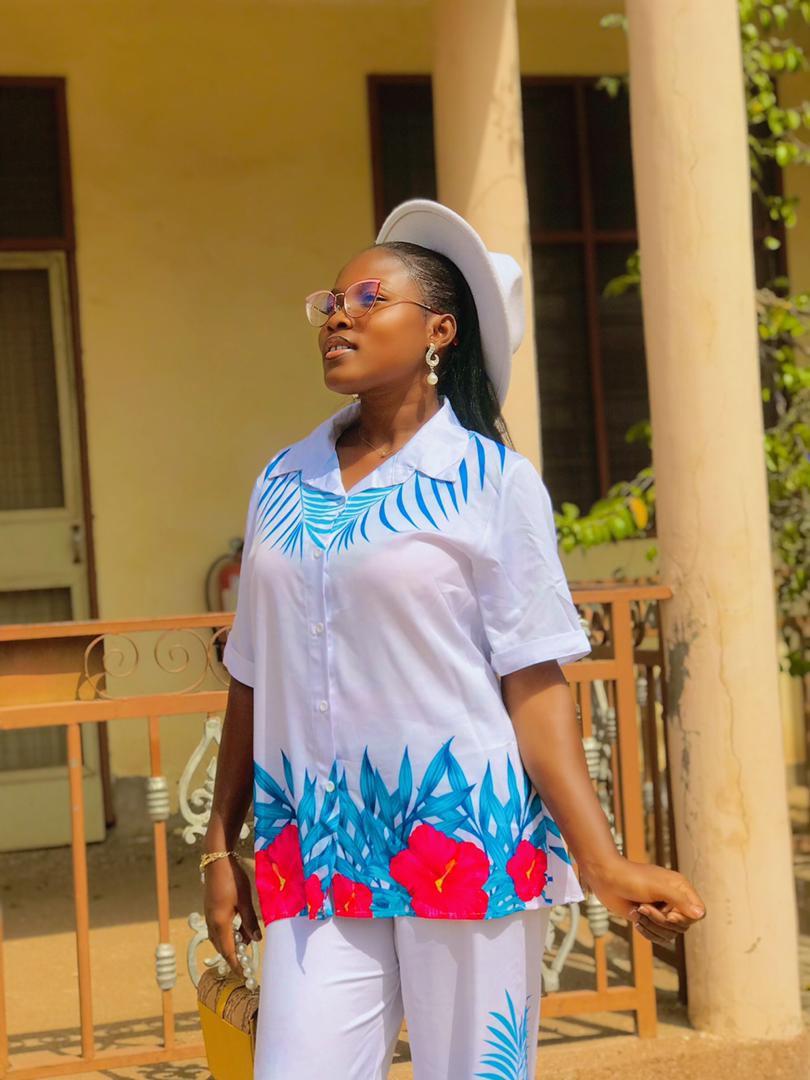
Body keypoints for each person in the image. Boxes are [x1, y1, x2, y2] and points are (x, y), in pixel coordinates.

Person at [202, 199, 706, 1079]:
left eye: (368, 298)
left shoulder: (491, 482)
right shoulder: (281, 480)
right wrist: (220, 844)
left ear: (440, 330)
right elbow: (251, 673)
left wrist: (602, 862)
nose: (338, 317)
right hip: (311, 854)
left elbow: (534, 686)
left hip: (464, 842)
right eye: (330, 302)